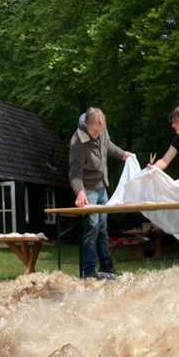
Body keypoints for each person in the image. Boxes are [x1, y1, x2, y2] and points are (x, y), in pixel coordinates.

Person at [69, 107, 132, 280]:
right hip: (88, 189)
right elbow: (74, 174)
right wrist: (80, 191)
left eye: (100, 130)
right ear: (86, 125)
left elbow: (108, 146)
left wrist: (124, 155)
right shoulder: (77, 143)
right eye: (94, 130)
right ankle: (89, 272)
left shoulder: (101, 130)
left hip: (102, 186)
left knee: (103, 229)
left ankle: (107, 268)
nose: (97, 133)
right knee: (92, 230)